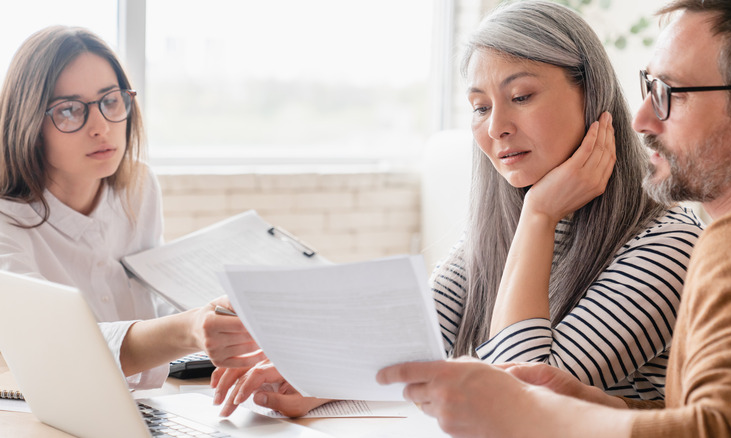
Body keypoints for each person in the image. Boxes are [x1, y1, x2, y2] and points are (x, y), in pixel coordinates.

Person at [211, 0, 703, 417]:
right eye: (480, 106)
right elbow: (415, 336)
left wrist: (538, 216)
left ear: (592, 94)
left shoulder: (669, 243)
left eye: (521, 96)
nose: (496, 128)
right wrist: (314, 377)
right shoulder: (501, 227)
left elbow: (522, 398)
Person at [377, 0, 731, 436]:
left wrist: (539, 214)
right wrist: (606, 407)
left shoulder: (717, 242)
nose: (640, 117)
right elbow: (404, 346)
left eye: (670, 93)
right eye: (479, 107)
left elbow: (512, 404)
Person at [0, 26, 263, 390]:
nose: (100, 127)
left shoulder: (137, 188)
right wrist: (189, 329)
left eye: (110, 101)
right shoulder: (7, 222)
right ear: (28, 122)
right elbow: (55, 350)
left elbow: (153, 297)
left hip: (146, 406)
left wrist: (226, 319)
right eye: (69, 110)